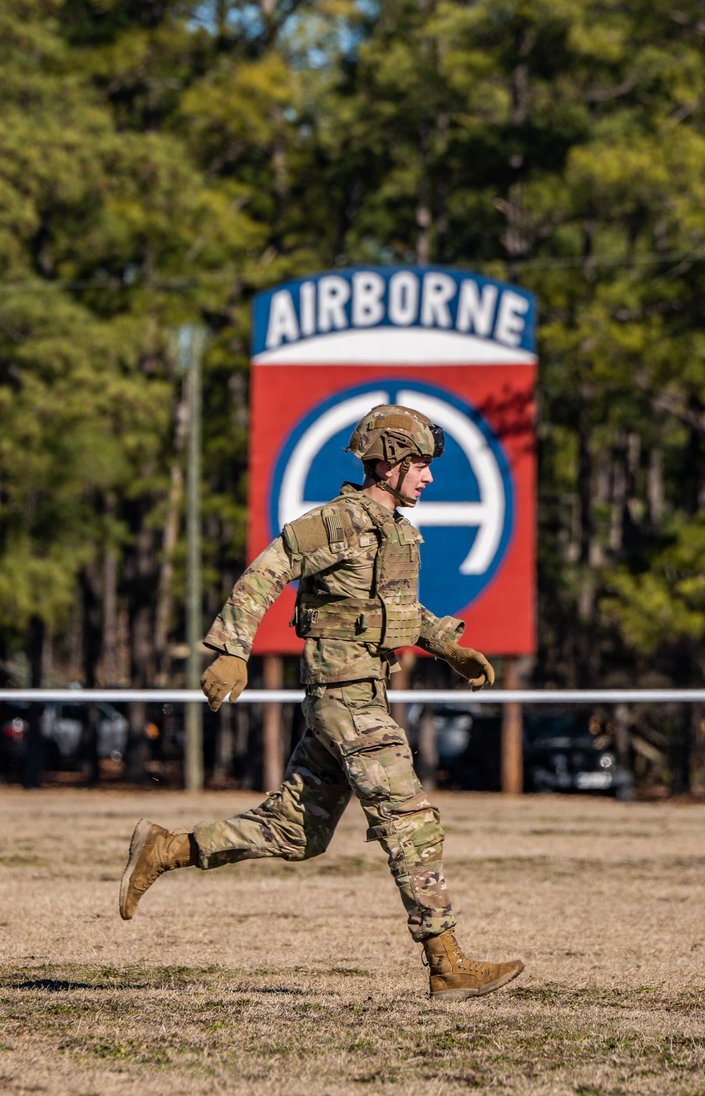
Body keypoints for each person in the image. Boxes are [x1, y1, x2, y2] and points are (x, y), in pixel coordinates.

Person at [119, 403, 524, 1001]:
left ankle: (170, 848)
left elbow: (395, 613)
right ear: (386, 464)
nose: (428, 477)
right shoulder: (337, 522)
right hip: (345, 700)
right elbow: (266, 569)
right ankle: (446, 963)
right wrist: (232, 649)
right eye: (417, 465)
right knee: (409, 820)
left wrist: (446, 643)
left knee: (295, 832)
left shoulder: (397, 531)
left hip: (362, 695)